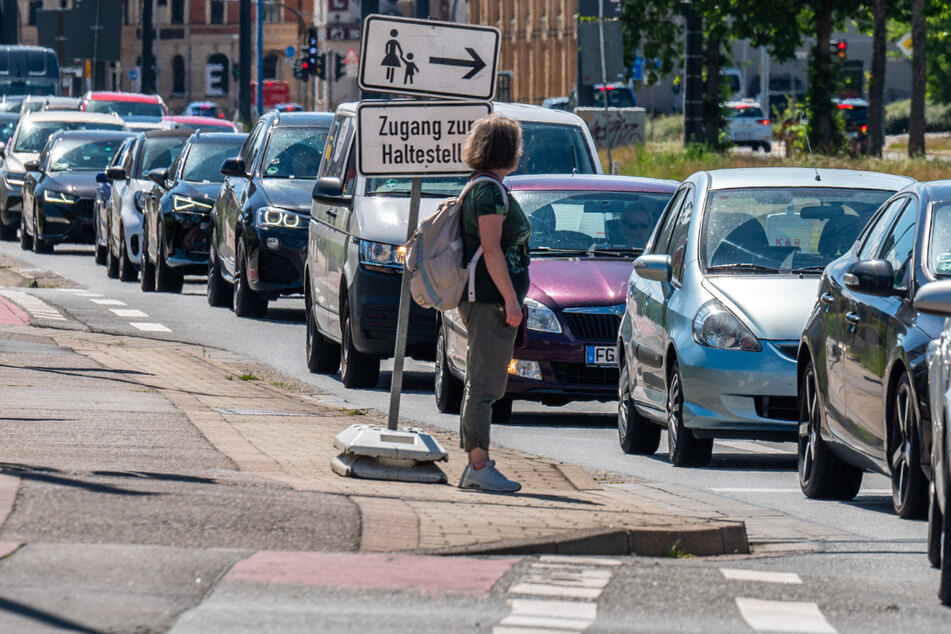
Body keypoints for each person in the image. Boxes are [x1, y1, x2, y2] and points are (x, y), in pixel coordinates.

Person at [457, 114, 531, 493]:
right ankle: (478, 466)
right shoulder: (488, 192)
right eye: (517, 144)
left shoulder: (485, 187)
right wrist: (510, 301)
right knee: (484, 386)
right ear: (505, 149)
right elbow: (490, 249)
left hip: (489, 298)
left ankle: (477, 463)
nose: (521, 151)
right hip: (489, 299)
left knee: (483, 383)